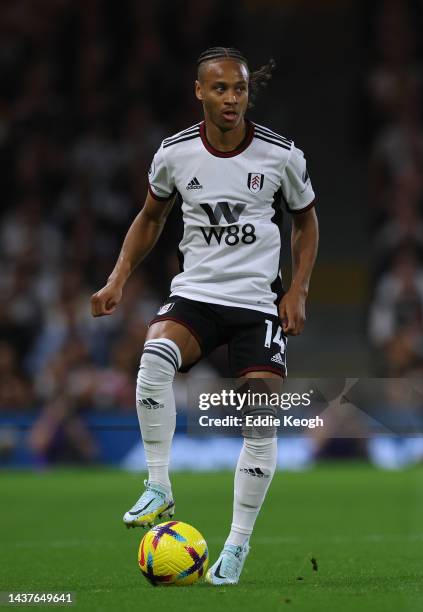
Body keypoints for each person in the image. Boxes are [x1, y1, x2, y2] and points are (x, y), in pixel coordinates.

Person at [91, 46, 319, 585]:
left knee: (260, 421)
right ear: (200, 92)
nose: (231, 99)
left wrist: (300, 290)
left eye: (239, 89)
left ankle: (236, 547)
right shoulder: (173, 155)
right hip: (196, 291)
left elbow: (306, 224)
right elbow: (150, 218)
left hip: (257, 300)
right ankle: (158, 486)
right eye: (220, 89)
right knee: (153, 356)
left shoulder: (280, 155)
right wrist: (118, 277)